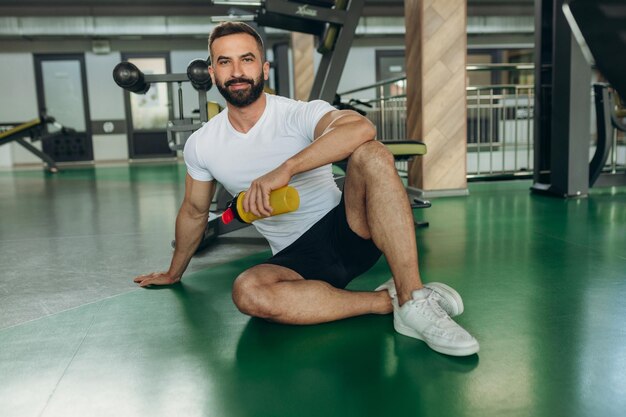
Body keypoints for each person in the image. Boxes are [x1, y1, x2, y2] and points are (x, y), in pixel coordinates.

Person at [134, 22, 479, 357]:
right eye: (225, 61)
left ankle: (414, 297)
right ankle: (390, 302)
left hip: (349, 230)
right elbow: (194, 212)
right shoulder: (202, 144)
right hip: (296, 260)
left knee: (371, 152)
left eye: (247, 59)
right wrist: (173, 272)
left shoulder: (297, 114)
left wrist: (286, 169)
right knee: (248, 293)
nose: (237, 70)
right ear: (212, 73)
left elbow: (360, 127)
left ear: (264, 69)